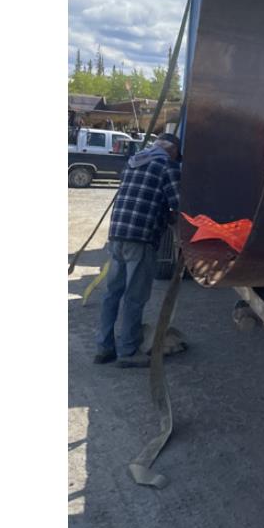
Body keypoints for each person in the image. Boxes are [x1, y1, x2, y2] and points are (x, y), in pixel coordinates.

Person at [95, 134, 181, 367]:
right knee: (134, 297)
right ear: (173, 151)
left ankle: (104, 348)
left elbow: (144, 198)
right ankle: (128, 352)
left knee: (112, 294)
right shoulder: (168, 166)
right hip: (141, 239)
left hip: (117, 236)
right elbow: (179, 204)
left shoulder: (134, 162)